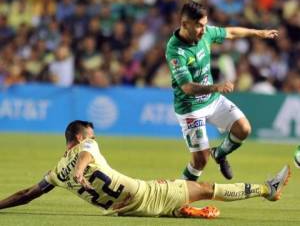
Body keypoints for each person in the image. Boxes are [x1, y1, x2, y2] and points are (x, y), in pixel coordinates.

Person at [0, 120, 290, 219]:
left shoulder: (55, 172)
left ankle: (182, 210)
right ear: (78, 137)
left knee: (183, 195)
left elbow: (28, 193)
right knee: (207, 189)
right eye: (91, 134)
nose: (94, 138)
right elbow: (86, 156)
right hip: (148, 194)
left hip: (128, 209)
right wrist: (80, 171)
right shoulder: (85, 148)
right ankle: (268, 190)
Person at [165, 0, 279, 181]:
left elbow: (231, 32)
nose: (204, 30)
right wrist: (216, 87)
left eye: (205, 25)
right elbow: (186, 87)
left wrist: (258, 32)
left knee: (243, 129)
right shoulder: (176, 51)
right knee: (200, 160)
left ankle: (219, 154)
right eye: (200, 26)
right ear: (185, 24)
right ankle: (178, 196)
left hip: (212, 100)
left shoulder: (206, 33)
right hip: (191, 108)